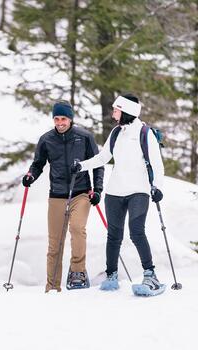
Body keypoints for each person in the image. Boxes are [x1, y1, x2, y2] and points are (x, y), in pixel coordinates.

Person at [72, 94, 165, 292]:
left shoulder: (144, 133)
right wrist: (81, 166)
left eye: (116, 109)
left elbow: (157, 165)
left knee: (136, 232)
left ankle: (150, 275)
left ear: (127, 111)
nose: (113, 113)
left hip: (138, 191)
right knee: (114, 235)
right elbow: (103, 157)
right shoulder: (116, 133)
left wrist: (158, 187)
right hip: (114, 192)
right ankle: (111, 275)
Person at [22, 100, 104, 292]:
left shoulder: (84, 137)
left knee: (77, 228)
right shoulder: (46, 139)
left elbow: (98, 164)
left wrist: (97, 190)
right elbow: (38, 164)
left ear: (71, 119)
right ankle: (52, 286)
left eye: (63, 119)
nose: (60, 122)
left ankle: (77, 273)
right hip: (57, 194)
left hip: (81, 193)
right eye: (56, 119)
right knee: (55, 242)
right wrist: (30, 176)